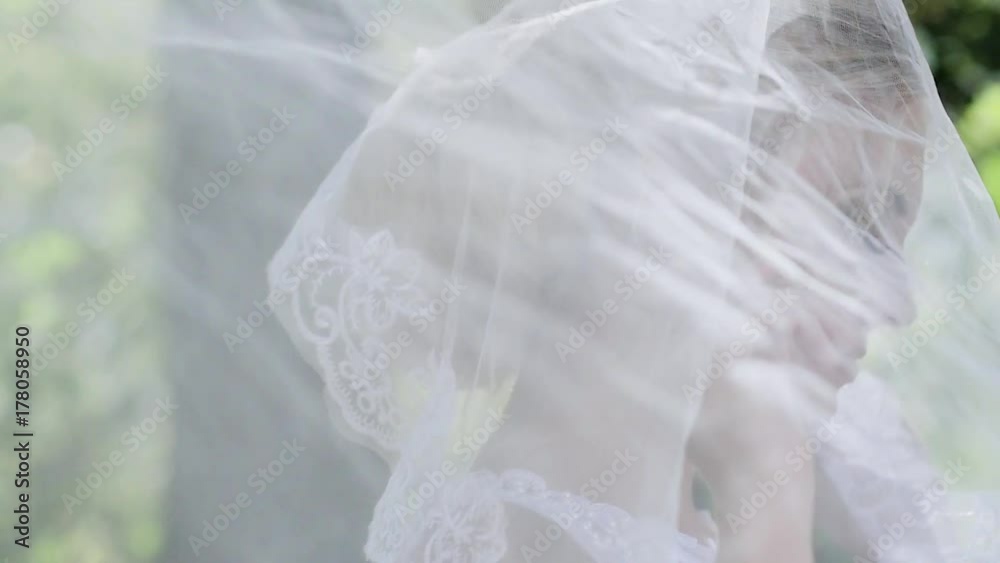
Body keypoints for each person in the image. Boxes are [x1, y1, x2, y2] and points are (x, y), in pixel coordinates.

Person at [265, 0, 1000, 561]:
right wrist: (766, 483)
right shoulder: (512, 543)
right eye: (854, 219)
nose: (899, 304)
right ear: (678, 206)